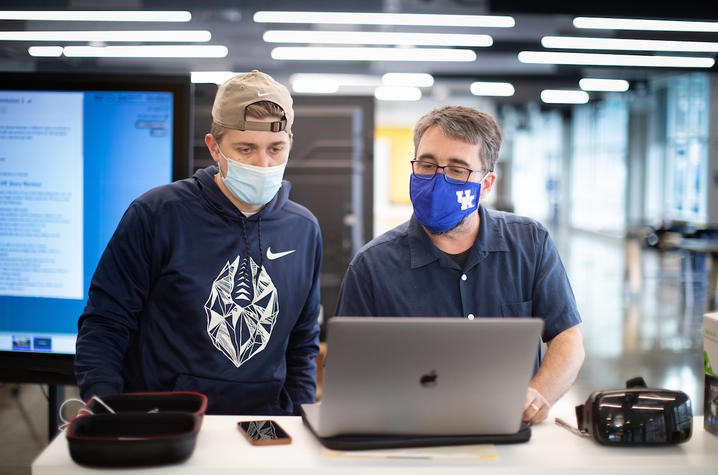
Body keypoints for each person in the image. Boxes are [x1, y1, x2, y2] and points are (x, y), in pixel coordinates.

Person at [75, 70, 323, 415]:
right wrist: (105, 409)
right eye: (245, 148)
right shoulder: (158, 214)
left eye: (275, 149)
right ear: (214, 148)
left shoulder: (303, 229)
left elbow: (303, 341)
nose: (263, 164)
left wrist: (299, 418)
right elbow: (106, 322)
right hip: (164, 418)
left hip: (261, 423)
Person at [335, 105, 584, 424]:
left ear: (487, 184)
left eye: (457, 169)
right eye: (427, 165)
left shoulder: (529, 243)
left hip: (512, 431)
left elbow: (568, 340)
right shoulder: (372, 266)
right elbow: (349, 374)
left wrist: (536, 396)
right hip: (412, 436)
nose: (438, 180)